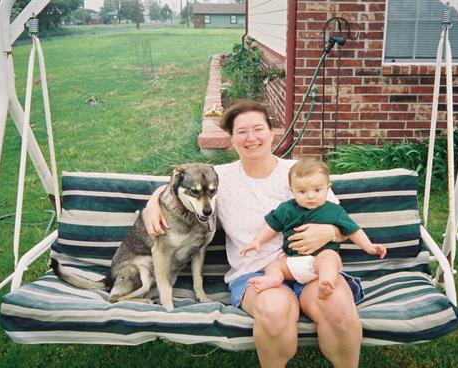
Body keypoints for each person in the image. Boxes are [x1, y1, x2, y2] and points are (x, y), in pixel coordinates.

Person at [144, 99, 364, 368]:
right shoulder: (219, 179)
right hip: (256, 274)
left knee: (338, 308)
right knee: (275, 310)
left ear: (272, 132)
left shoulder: (301, 174)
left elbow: (344, 226)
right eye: (242, 131)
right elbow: (180, 185)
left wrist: (330, 233)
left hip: (313, 267)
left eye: (258, 129)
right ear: (232, 139)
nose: (251, 138)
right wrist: (153, 204)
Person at [241, 158, 386, 299]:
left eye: (317, 190)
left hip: (319, 261)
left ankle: (326, 282)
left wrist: (368, 246)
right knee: (274, 265)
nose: (310, 196)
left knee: (330, 257)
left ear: (327, 188)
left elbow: (353, 230)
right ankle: (273, 279)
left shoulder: (334, 211)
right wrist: (257, 241)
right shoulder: (287, 209)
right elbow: (271, 225)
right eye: (302, 192)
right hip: (293, 262)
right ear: (292, 190)